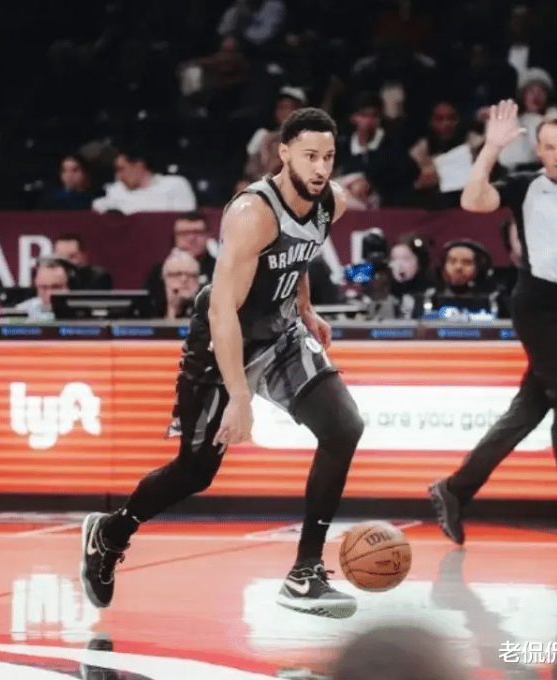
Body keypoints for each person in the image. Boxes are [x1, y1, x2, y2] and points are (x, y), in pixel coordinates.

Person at [80, 108, 364, 619]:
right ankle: (111, 531)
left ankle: (305, 571)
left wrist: (305, 309)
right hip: (222, 338)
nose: (321, 168)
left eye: (328, 157)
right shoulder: (252, 213)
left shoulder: (332, 202)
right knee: (195, 472)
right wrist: (239, 396)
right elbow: (221, 311)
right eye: (310, 156)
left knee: (344, 426)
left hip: (281, 331)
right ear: (283, 154)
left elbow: (300, 253)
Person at [429, 100, 557, 546]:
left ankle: (455, 489)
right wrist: (491, 148)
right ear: (539, 151)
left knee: (530, 408)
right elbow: (472, 200)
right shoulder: (526, 186)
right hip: (536, 304)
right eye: (550, 147)